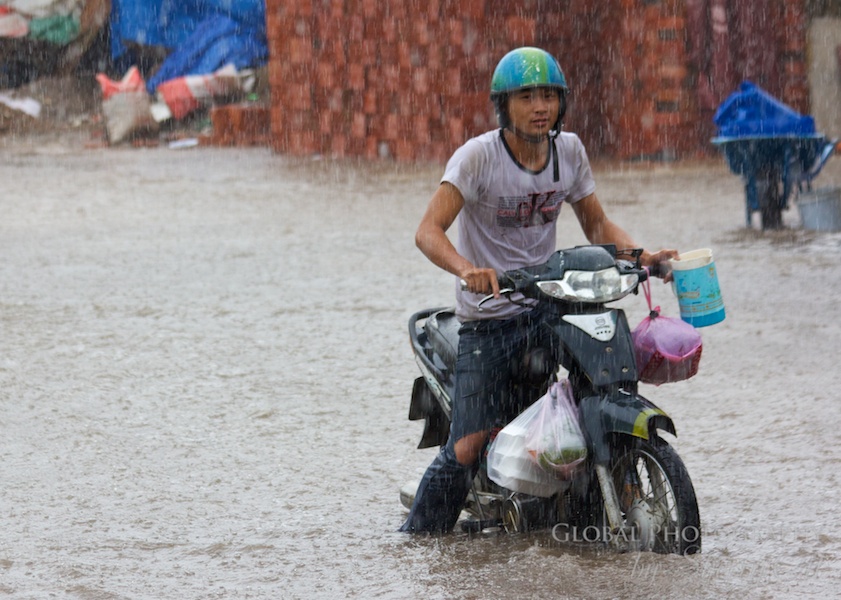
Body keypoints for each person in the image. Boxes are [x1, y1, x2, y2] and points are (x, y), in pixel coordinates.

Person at [399, 46, 678, 534]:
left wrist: (641, 256)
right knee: (466, 446)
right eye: (526, 96)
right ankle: (419, 538)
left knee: (605, 383)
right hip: (490, 317)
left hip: (551, 306)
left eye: (548, 95)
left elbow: (596, 222)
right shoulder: (478, 157)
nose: (540, 106)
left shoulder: (568, 151)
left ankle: (585, 505)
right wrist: (468, 270)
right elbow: (428, 231)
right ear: (504, 105)